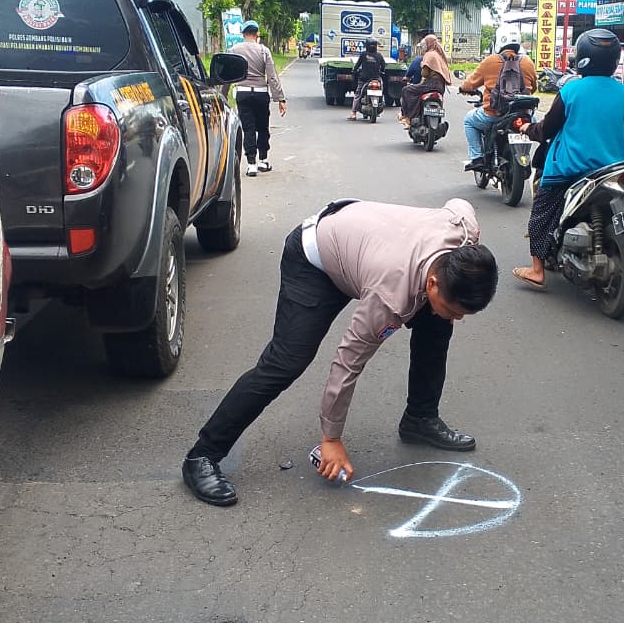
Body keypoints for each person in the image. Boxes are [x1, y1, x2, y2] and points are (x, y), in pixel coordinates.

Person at [181, 198, 499, 506]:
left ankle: (420, 419)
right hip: (315, 258)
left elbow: (461, 205)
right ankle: (203, 455)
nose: (459, 318)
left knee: (437, 324)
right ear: (432, 283)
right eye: (455, 309)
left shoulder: (463, 233)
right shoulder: (388, 299)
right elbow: (347, 363)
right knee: (286, 361)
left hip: (366, 244)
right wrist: (331, 439)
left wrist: (447, 307)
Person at [511, 29, 624, 290]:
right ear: (614, 60)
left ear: (582, 58)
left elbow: (547, 129)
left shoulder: (571, 90)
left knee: (540, 216)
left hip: (571, 169)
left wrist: (526, 128)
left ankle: (537, 270)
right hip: (619, 167)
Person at [458, 40, 537, 170]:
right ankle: (524, 153)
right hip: (523, 115)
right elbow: (533, 87)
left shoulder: (489, 61)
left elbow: (469, 84)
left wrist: (463, 88)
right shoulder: (528, 62)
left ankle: (477, 157)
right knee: (532, 123)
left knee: (469, 120)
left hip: (493, 114)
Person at [231, 20, 286, 177]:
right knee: (262, 127)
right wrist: (280, 99)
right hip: (262, 94)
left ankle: (251, 164)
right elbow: (272, 76)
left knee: (248, 129)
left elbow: (227, 73)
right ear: (257, 34)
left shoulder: (234, 50)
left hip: (243, 93)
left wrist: (222, 95)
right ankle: (263, 160)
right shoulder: (264, 51)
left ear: (243, 34)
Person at [398, 34, 450, 127]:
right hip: (440, 87)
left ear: (428, 44)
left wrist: (423, 69)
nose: (422, 48)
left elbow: (425, 74)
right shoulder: (439, 55)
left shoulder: (429, 55)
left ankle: (407, 117)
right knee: (418, 94)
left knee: (406, 90)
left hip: (431, 84)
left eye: (423, 46)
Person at [348, 38, 387, 120]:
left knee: (358, 94)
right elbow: (383, 66)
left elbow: (358, 64)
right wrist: (382, 71)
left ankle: (353, 113)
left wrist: (354, 70)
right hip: (376, 79)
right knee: (381, 90)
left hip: (364, 79)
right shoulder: (379, 55)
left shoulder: (363, 54)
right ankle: (381, 101)